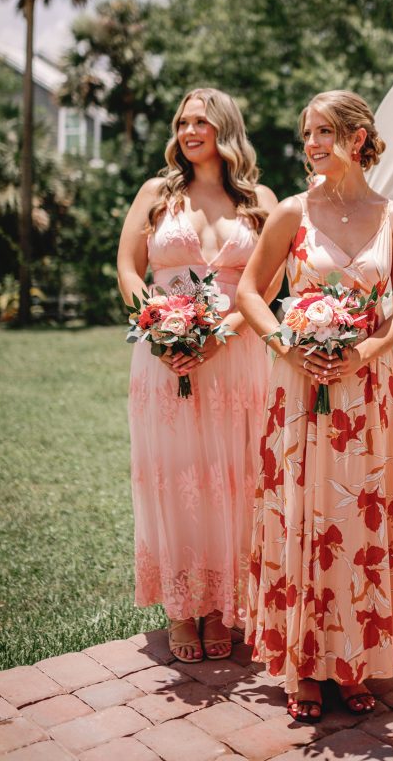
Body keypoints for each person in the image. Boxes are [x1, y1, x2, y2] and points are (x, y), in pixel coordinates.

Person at [237, 89, 393, 721]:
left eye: (322, 133)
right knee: (303, 515)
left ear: (358, 138)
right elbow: (248, 294)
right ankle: (302, 664)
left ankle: (355, 660)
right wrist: (287, 344)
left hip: (366, 390)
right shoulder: (292, 212)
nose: (310, 144)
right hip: (301, 390)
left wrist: (370, 349)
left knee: (356, 522)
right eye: (306, 133)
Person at [117, 88, 278, 663]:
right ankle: (182, 608)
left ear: (225, 129)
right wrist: (158, 325)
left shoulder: (259, 199)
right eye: (182, 121)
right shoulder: (157, 195)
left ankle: (220, 608)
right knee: (175, 476)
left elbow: (270, 283)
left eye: (201, 122)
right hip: (164, 357)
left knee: (232, 477)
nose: (189, 131)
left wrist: (222, 333)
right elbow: (129, 268)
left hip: (234, 358)